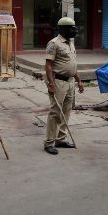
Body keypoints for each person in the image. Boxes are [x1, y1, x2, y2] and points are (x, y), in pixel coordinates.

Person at [43, 17, 84, 155]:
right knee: (55, 112)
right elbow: (48, 65)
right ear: (63, 29)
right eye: (71, 28)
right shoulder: (54, 43)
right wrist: (51, 84)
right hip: (58, 82)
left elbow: (73, 64)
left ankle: (60, 139)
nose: (74, 30)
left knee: (66, 111)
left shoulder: (70, 44)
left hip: (70, 82)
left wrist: (79, 80)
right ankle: (49, 142)